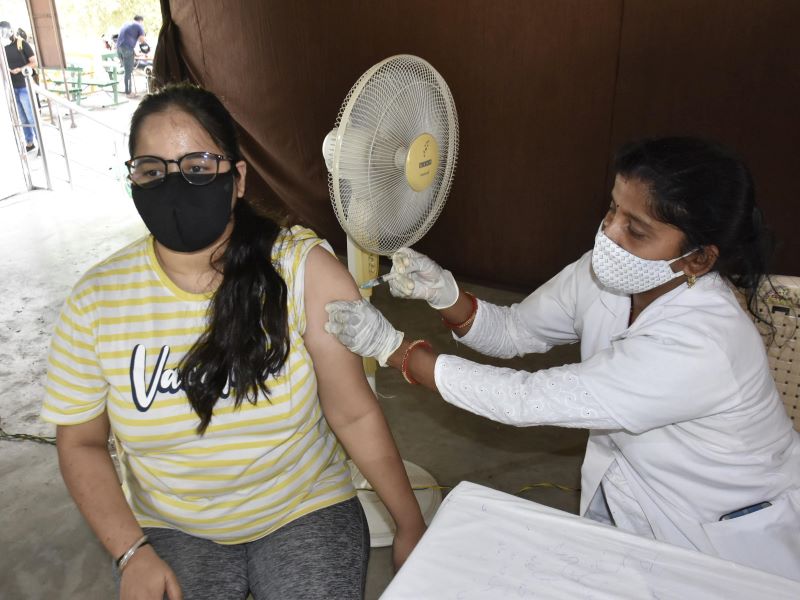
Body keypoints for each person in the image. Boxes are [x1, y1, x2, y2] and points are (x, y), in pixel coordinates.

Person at [325, 137, 800, 581]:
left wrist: (394, 349)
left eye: (636, 230)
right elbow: (514, 331)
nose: (609, 233)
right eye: (612, 209)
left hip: (721, 530)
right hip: (629, 490)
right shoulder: (604, 276)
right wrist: (445, 294)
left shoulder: (703, 346)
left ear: (698, 260)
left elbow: (524, 399)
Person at [41, 83, 426, 599]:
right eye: (152, 171)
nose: (175, 185)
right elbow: (81, 443)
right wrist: (132, 552)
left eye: (198, 167)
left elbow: (353, 413)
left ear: (238, 178)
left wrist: (410, 524)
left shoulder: (303, 272)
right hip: (172, 525)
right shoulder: (96, 301)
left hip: (303, 506)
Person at [1, 20, 38, 151]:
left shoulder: (21, 44)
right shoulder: (2, 48)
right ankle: (29, 142)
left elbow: (34, 62)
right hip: (12, 87)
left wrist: (20, 69)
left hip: (24, 86)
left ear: (10, 31)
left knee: (31, 116)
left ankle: (41, 143)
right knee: (22, 118)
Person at [117, 15, 147, 97]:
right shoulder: (139, 26)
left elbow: (127, 39)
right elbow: (142, 40)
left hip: (119, 49)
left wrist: (135, 52)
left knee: (127, 71)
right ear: (141, 21)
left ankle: (128, 90)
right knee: (128, 72)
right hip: (127, 50)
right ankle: (128, 92)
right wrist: (147, 49)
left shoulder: (126, 24)